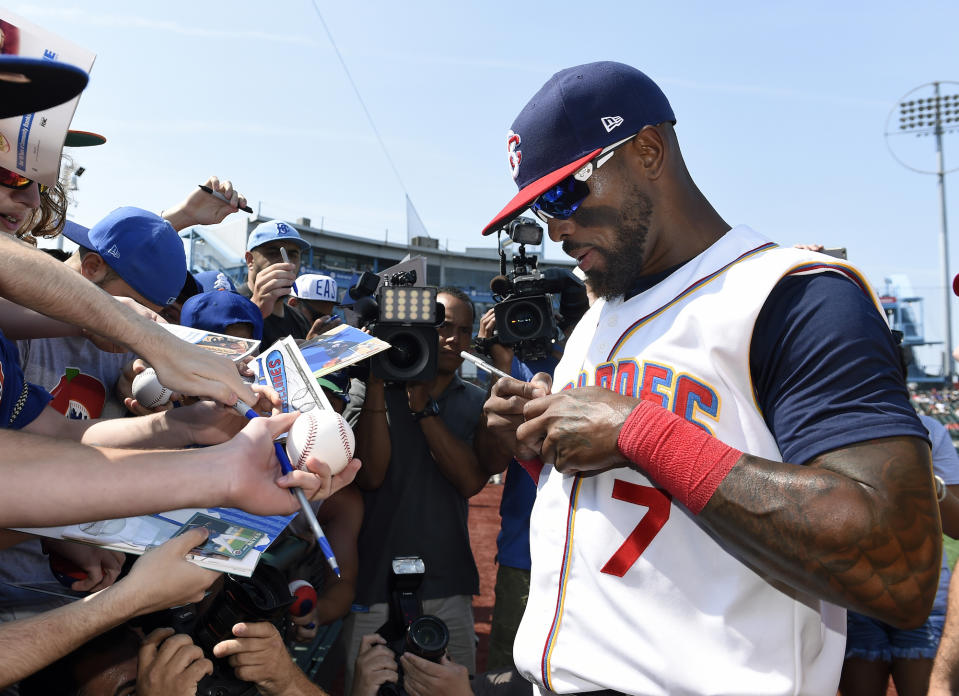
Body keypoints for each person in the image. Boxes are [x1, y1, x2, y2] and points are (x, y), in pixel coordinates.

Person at [480, 61, 937, 695]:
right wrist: (542, 440)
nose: (556, 227)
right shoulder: (597, 317)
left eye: (563, 193)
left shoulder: (793, 296)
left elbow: (900, 565)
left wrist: (641, 433)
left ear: (646, 150)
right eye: (537, 206)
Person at [340, 287, 500, 693]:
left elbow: (469, 482)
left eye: (464, 332)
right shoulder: (366, 389)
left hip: (448, 581)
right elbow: (370, 475)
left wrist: (423, 408)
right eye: (443, 327)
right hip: (374, 581)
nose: (453, 339)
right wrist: (378, 381)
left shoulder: (477, 401)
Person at [238, 220, 312, 350]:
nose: (285, 262)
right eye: (272, 253)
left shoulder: (299, 319)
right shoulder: (230, 304)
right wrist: (256, 311)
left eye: (293, 255)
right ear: (250, 260)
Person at [288, 272, 343, 339]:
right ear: (293, 304)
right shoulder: (274, 331)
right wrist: (310, 344)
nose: (323, 324)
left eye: (329, 319)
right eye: (317, 317)